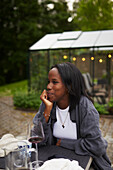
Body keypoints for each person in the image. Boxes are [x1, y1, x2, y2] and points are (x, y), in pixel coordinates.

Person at [33, 62, 112, 170]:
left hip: (87, 164)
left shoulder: (85, 108)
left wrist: (61, 142)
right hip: (54, 161)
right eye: (48, 82)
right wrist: (46, 112)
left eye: (54, 82)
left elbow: (96, 146)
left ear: (68, 86)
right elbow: (36, 141)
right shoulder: (47, 104)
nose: (48, 86)